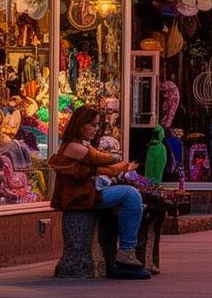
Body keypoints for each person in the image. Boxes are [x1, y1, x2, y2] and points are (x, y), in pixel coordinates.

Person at [49, 105, 146, 269]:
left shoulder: (82, 144)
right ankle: (126, 250)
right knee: (130, 194)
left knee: (132, 196)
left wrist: (118, 168)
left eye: (98, 125)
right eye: (93, 124)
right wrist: (118, 160)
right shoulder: (73, 146)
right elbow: (99, 158)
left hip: (89, 192)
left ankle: (126, 249)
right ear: (81, 125)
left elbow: (103, 168)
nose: (96, 129)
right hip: (80, 196)